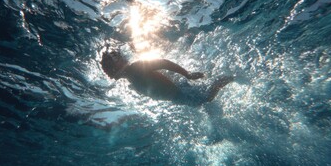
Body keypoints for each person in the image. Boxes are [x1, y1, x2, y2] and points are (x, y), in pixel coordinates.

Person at [100, 50, 233, 105]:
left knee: (206, 99)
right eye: (105, 69)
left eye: (107, 67)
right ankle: (228, 77)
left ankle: (232, 77)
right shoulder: (131, 80)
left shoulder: (136, 67)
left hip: (180, 93)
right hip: (177, 93)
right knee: (205, 97)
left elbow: (163, 63)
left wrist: (187, 74)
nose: (106, 72)